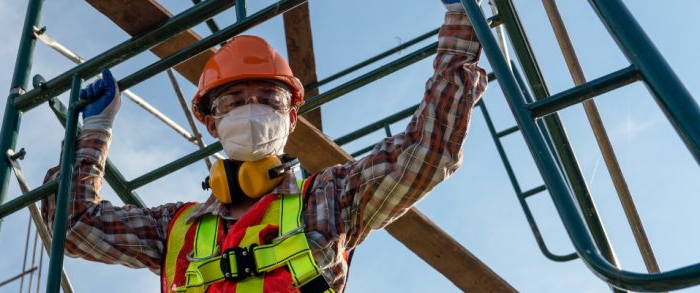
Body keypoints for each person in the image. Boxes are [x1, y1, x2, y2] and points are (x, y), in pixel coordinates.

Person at [41, 1, 487, 292]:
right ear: (212, 122)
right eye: (234, 100)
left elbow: (426, 153)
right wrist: (94, 130)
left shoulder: (331, 200)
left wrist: (461, 21)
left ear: (291, 118)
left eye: (268, 100)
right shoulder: (174, 228)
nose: (251, 109)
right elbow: (76, 227)